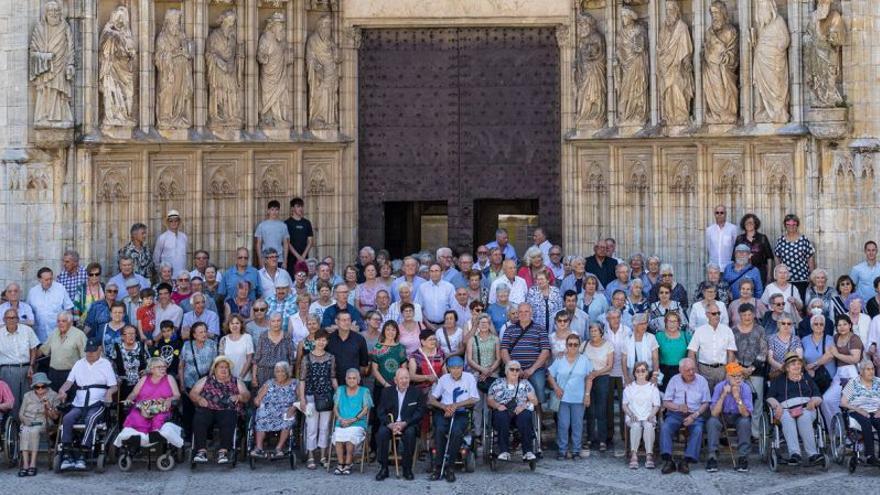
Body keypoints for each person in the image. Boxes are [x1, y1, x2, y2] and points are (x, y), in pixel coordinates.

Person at [56, 340, 118, 471]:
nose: (89, 353)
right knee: (67, 419)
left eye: (93, 351)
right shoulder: (79, 363)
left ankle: (83, 454)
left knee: (91, 419)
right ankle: (66, 454)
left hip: (98, 402)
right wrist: (62, 390)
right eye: (87, 351)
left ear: (99, 350)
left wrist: (109, 394)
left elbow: (113, 386)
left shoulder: (105, 364)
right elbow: (69, 382)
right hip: (79, 402)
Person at [188, 356, 250, 464]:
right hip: (208, 408)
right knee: (199, 417)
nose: (224, 370)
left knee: (229, 417)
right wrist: (199, 398)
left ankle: (223, 452)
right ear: (214, 369)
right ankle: (201, 452)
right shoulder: (206, 380)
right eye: (221, 367)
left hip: (227, 409)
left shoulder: (236, 381)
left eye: (226, 368)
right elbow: (193, 393)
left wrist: (239, 397)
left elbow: (247, 395)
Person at [113, 357, 183, 452]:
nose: (163, 369)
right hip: (143, 406)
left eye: (164, 367)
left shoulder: (169, 378)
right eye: (160, 367)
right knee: (136, 416)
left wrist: (170, 399)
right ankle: (137, 439)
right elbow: (134, 393)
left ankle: (151, 437)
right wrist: (129, 399)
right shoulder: (144, 378)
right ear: (152, 369)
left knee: (158, 417)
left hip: (161, 407)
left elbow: (177, 395)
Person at [766, 352, 824, 466]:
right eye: (793, 364)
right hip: (785, 410)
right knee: (787, 418)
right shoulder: (779, 380)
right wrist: (777, 405)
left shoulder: (807, 378)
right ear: (787, 368)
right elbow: (769, 397)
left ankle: (812, 454)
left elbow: (818, 396)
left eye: (799, 364)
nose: (797, 366)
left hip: (806, 408)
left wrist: (813, 401)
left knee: (804, 416)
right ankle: (795, 454)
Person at [427, 356, 479, 482]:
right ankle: (438, 467)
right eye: (453, 368)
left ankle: (450, 467)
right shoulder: (444, 379)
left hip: (461, 411)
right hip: (444, 411)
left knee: (456, 432)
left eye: (459, 368)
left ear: (462, 368)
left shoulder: (469, 378)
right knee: (439, 430)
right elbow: (432, 399)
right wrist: (444, 406)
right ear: (448, 369)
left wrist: (456, 406)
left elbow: (474, 399)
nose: (456, 370)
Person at [659, 358, 710, 474]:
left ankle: (686, 461)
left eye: (693, 369)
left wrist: (694, 415)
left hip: (695, 414)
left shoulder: (702, 381)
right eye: (687, 370)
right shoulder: (674, 380)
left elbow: (706, 403)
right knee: (665, 427)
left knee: (698, 429)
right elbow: (666, 402)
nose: (691, 372)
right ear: (680, 370)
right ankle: (668, 461)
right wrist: (678, 407)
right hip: (676, 413)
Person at [375, 368, 425, 481]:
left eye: (406, 378)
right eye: (401, 378)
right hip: (391, 423)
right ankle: (384, 468)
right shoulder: (387, 392)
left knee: (410, 433)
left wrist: (405, 423)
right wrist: (390, 424)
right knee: (382, 433)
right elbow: (380, 411)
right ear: (395, 380)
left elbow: (420, 412)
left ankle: (407, 468)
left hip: (408, 423)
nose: (404, 381)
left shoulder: (416, 392)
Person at [547, 334, 592, 460]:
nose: (572, 347)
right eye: (570, 344)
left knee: (577, 425)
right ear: (566, 345)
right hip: (563, 398)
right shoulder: (560, 359)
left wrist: (587, 394)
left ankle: (576, 450)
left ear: (579, 346)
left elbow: (589, 378)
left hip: (579, 398)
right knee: (563, 424)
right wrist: (555, 387)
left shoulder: (584, 360)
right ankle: (562, 450)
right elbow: (550, 374)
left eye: (575, 344)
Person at [500, 304, 551, 413]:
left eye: (526, 311)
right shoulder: (509, 329)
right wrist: (514, 368)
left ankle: (538, 422)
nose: (523, 314)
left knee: (538, 393)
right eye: (521, 312)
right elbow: (504, 350)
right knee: (511, 394)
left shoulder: (540, 328)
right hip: (514, 369)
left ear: (531, 312)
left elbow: (545, 351)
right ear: (517, 313)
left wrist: (532, 369)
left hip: (535, 369)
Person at [299, 329, 337, 469]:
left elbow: (333, 377)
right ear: (314, 340)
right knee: (312, 427)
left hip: (326, 396)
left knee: (325, 427)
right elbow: (302, 379)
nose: (322, 342)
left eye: (324, 340)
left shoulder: (331, 357)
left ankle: (322, 455)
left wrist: (337, 393)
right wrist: (302, 398)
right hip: (310, 396)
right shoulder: (306, 358)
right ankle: (310, 456)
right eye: (319, 339)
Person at [487, 360, 539, 462]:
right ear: (506, 371)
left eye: (517, 370)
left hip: (520, 410)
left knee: (525, 417)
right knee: (501, 417)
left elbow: (535, 401)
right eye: (512, 369)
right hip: (503, 409)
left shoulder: (525, 384)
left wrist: (524, 405)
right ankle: (504, 451)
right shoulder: (497, 383)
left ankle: (528, 452)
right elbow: (489, 400)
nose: (515, 372)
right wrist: (497, 405)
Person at [705, 362, 752, 473]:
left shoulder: (745, 388)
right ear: (727, 376)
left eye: (740, 376)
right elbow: (714, 413)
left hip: (739, 415)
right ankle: (712, 456)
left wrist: (737, 398)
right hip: (722, 415)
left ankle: (743, 457)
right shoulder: (719, 386)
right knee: (712, 422)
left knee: (745, 422)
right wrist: (723, 395)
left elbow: (746, 414)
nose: (737, 379)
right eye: (734, 376)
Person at [820, 314, 864, 428]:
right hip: (839, 374)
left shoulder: (854, 338)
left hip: (852, 374)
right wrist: (814, 364)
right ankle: (838, 429)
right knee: (827, 400)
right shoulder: (835, 338)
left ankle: (858, 435)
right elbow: (829, 354)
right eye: (839, 325)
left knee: (852, 404)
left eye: (844, 324)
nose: (842, 327)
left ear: (850, 325)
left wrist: (837, 354)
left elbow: (855, 359)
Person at [329, 368, 372, 475]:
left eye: (354, 378)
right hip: (342, 422)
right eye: (349, 378)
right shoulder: (340, 390)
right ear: (346, 379)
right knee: (338, 435)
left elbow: (366, 409)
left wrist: (354, 419)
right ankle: (340, 463)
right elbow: (335, 407)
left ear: (358, 379)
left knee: (350, 436)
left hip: (357, 423)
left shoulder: (364, 391)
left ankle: (348, 463)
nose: (351, 380)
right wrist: (339, 418)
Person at [16, 372, 60, 477]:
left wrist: (48, 406)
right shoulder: (27, 395)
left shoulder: (53, 395)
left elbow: (55, 417)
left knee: (34, 431)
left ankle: (33, 464)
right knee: (25, 431)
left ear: (46, 385)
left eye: (43, 386)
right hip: (28, 421)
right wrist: (25, 420)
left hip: (43, 421)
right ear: (34, 387)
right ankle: (25, 465)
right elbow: (21, 413)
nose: (40, 389)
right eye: (37, 387)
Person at [251, 361, 297, 458]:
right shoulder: (269, 383)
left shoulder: (295, 383)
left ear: (287, 372)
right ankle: (259, 447)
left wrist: (293, 407)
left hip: (286, 409)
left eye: (282, 371)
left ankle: (279, 448)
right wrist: (258, 402)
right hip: (268, 408)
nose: (279, 374)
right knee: (261, 415)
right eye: (277, 371)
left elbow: (300, 399)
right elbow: (258, 399)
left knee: (287, 419)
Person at [178, 322, 217, 436]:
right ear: (194, 335)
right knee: (188, 410)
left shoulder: (212, 344)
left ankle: (207, 436)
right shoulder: (187, 345)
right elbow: (181, 365)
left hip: (206, 383)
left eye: (205, 331)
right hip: (189, 382)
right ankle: (189, 436)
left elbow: (214, 364)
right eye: (200, 332)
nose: (204, 334)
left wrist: (209, 380)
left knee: (206, 409)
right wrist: (181, 383)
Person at [688, 301, 737, 390]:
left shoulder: (727, 330)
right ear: (707, 315)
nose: (717, 316)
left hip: (722, 370)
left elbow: (731, 353)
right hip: (704, 370)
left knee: (722, 399)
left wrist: (729, 372)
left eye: (719, 313)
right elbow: (691, 352)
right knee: (705, 400)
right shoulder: (699, 331)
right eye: (714, 313)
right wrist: (696, 372)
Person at [840, 359, 880, 465]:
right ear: (861, 371)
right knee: (866, 423)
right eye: (868, 369)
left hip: (875, 411)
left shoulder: (878, 382)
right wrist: (858, 409)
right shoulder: (853, 382)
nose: (871, 371)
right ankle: (870, 456)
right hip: (857, 411)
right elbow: (843, 402)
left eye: (872, 369)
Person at [622, 361, 661, 469]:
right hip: (633, 415)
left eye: (643, 370)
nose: (640, 373)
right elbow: (624, 405)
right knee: (635, 426)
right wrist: (630, 414)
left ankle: (649, 455)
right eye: (638, 370)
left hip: (648, 415)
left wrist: (652, 415)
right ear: (634, 373)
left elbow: (656, 405)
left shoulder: (652, 387)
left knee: (648, 426)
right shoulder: (629, 387)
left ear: (647, 372)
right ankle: (634, 455)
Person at [0, 308, 40, 413]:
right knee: (12, 401)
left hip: (27, 369)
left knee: (28, 399)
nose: (11, 320)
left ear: (18, 319)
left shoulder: (27, 330)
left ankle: (25, 426)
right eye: (8, 318)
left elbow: (33, 348)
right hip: (8, 370)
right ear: (4, 320)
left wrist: (31, 365)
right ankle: (13, 428)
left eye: (14, 317)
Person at [581, 322, 613, 453]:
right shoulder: (584, 344)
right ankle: (589, 438)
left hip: (602, 377)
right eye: (591, 330)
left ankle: (602, 439)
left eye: (596, 330)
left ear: (601, 332)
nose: (593, 333)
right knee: (589, 410)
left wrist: (596, 373)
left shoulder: (608, 345)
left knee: (601, 410)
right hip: (587, 379)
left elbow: (609, 365)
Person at [774, 214, 816, 301]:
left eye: (793, 224)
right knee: (786, 302)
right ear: (785, 225)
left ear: (797, 225)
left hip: (802, 277)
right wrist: (777, 274)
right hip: (785, 278)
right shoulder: (781, 240)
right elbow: (777, 257)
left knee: (801, 301)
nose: (791, 227)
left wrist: (812, 275)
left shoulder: (804, 239)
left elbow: (810, 258)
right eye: (788, 225)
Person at [27, 267, 74, 343]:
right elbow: (28, 311)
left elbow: (68, 309)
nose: (49, 282)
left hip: (58, 334)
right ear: (39, 279)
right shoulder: (32, 292)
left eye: (51, 279)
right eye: (46, 280)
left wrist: (69, 330)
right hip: (39, 336)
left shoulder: (60, 289)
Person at [252, 312, 296, 388]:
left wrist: (290, 375)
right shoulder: (263, 336)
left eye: (278, 321)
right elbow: (256, 358)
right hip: (264, 374)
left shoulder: (287, 336)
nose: (276, 323)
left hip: (282, 374)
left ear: (282, 322)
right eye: (273, 321)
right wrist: (254, 377)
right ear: (269, 323)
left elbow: (291, 359)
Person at [735, 213, 775, 284]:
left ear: (755, 224)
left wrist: (769, 275)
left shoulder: (762, 238)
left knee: (759, 293)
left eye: (751, 222)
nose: (749, 224)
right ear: (743, 224)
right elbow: (734, 257)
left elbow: (769, 257)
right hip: (743, 271)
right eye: (746, 223)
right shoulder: (740, 239)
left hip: (760, 272)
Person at [112, 325, 149, 399]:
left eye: (133, 333)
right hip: (123, 383)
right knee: (124, 406)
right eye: (128, 334)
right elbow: (112, 365)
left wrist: (146, 370)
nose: (131, 336)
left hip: (140, 382)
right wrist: (116, 377)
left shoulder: (141, 346)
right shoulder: (116, 347)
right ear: (122, 336)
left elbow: (150, 362)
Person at [621, 313, 659, 385]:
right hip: (632, 374)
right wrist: (626, 377)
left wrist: (654, 377)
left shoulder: (651, 338)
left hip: (648, 373)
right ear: (634, 325)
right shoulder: (627, 339)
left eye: (645, 323)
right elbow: (624, 360)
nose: (644, 326)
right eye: (641, 324)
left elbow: (655, 359)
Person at [656, 312, 690, 391]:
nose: (672, 324)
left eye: (675, 321)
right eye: (669, 321)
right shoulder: (659, 336)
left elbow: (691, 355)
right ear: (665, 323)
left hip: (681, 371)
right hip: (664, 371)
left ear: (679, 323)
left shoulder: (686, 335)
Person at [219, 314, 254, 387]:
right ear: (228, 325)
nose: (234, 326)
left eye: (237, 323)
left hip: (244, 379)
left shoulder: (247, 337)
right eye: (232, 323)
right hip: (227, 380)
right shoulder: (223, 339)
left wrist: (240, 377)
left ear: (241, 324)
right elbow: (221, 361)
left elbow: (249, 359)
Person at [768, 313, 803, 380]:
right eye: (783, 323)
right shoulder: (772, 338)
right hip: (777, 374)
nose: (786, 325)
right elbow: (770, 359)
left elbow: (799, 357)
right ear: (778, 324)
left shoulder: (796, 339)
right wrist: (784, 368)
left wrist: (792, 370)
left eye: (789, 324)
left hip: (793, 374)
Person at [153, 210, 188, 275]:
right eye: (171, 221)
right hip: (167, 275)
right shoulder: (162, 238)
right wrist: (161, 274)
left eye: (176, 221)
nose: (173, 223)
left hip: (181, 275)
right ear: (168, 223)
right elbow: (156, 258)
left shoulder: (184, 237)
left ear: (179, 222)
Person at [706, 205, 738, 270]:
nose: (719, 214)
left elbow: (736, 247)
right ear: (714, 214)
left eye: (722, 212)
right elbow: (709, 247)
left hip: (728, 267)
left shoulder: (733, 228)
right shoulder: (709, 230)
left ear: (725, 214)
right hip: (714, 268)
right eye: (717, 213)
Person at [285, 197, 314, 270]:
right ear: (292, 208)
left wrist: (303, 256)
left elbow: (310, 242)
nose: (301, 208)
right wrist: (298, 256)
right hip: (291, 259)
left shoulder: (307, 223)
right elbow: (287, 243)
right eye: (298, 206)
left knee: (303, 278)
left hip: (304, 258)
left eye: (302, 206)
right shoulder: (286, 223)